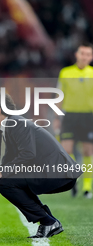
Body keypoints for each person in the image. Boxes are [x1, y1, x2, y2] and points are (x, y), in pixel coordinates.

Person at [0, 92, 82, 238]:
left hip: (60, 174)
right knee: (6, 179)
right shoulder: (11, 126)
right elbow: (4, 168)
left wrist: (2, 174)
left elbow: (27, 154)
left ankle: (48, 221)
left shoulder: (16, 124)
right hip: (55, 172)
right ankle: (49, 221)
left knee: (5, 182)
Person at [57, 43, 93, 198]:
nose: (84, 56)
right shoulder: (65, 73)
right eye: (82, 53)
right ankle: (74, 177)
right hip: (69, 115)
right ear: (76, 55)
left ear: (91, 57)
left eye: (88, 54)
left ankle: (87, 187)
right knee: (66, 151)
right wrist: (57, 118)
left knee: (87, 151)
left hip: (88, 116)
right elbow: (59, 95)